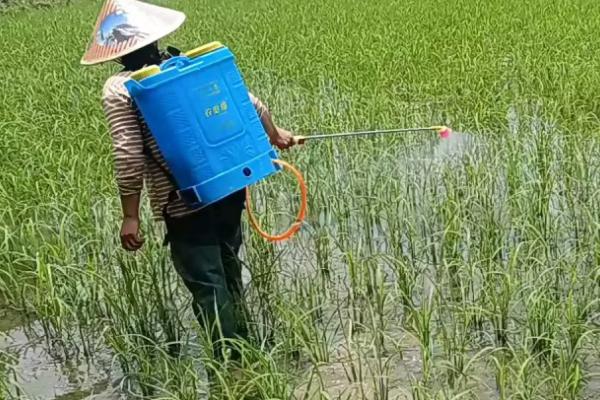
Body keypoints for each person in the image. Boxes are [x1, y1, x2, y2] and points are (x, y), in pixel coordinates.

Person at [81, 0, 297, 360]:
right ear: (153, 35)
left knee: (208, 285)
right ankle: (248, 351)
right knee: (229, 271)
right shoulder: (189, 67)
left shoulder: (122, 87)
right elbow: (251, 104)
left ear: (114, 49)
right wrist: (275, 135)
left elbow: (128, 155)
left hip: (183, 201)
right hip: (228, 188)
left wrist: (130, 215)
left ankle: (231, 364)